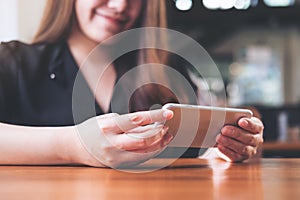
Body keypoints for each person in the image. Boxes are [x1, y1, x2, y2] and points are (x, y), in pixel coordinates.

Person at [0, 0, 264, 168]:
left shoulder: (168, 72)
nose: (120, 5)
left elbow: (194, 159)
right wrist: (73, 145)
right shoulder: (13, 63)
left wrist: (223, 153)